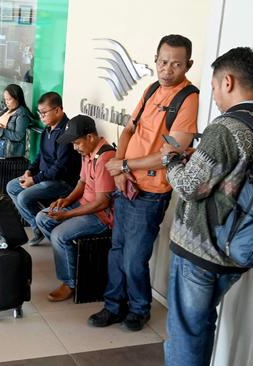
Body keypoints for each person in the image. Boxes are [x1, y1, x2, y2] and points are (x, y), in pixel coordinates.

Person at [161, 47, 253, 366]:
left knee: (185, 333)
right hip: (235, 248)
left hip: (200, 250)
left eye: (212, 87)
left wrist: (169, 158)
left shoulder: (226, 128)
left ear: (227, 82)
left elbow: (189, 186)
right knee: (201, 326)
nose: (213, 95)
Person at [87, 34, 199, 332]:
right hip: (126, 186)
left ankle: (139, 309)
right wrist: (121, 173)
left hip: (149, 193)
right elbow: (127, 132)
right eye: (163, 62)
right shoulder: (151, 90)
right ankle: (113, 306)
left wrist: (124, 165)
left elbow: (170, 154)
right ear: (155, 60)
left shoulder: (187, 99)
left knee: (134, 258)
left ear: (188, 65)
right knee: (117, 249)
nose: (167, 69)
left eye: (176, 64)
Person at [35, 115, 116, 302]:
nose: (75, 148)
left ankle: (70, 282)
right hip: (84, 205)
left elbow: (103, 202)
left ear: (90, 137)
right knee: (43, 218)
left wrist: (68, 215)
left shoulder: (104, 157)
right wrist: (66, 200)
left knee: (59, 235)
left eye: (77, 143)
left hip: (100, 216)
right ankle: (67, 258)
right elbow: (82, 181)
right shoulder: (87, 153)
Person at [7, 92, 81, 245]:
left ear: (58, 110)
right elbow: (40, 155)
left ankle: (41, 226)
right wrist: (29, 171)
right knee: (12, 187)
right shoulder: (47, 130)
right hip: (44, 177)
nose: (41, 116)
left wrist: (34, 180)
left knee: (23, 197)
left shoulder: (66, 134)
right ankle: (37, 226)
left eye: (44, 112)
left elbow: (59, 168)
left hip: (62, 183)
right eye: (39, 113)